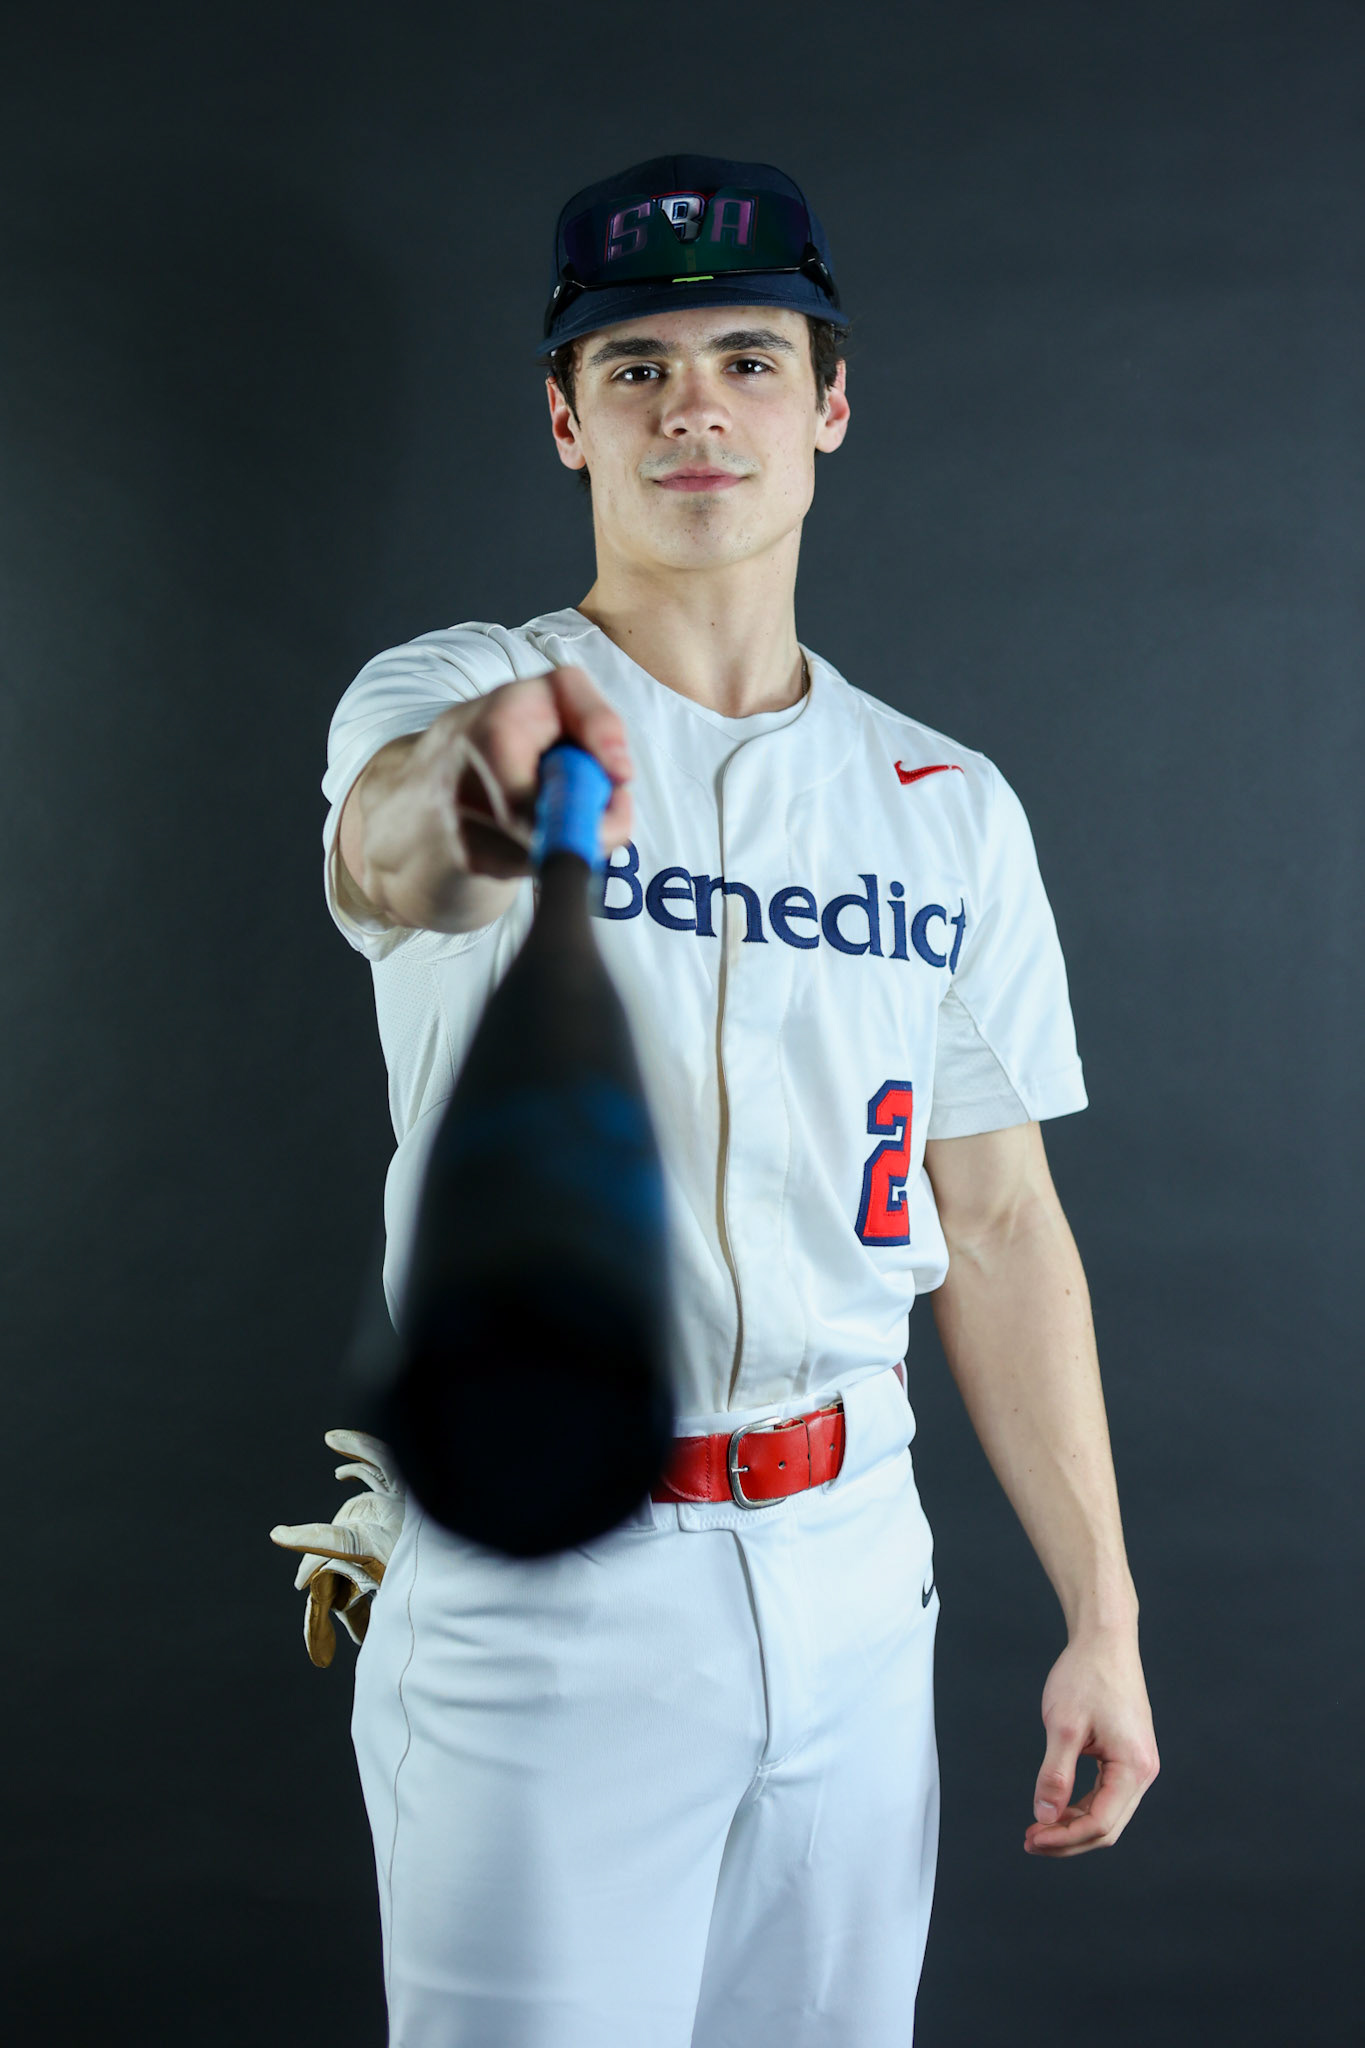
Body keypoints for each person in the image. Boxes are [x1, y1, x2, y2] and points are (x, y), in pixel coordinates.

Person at [271, 152, 1159, 2047]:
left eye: (748, 357)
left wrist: (1104, 1615)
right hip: (547, 1584)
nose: (695, 404)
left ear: (827, 407)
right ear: (565, 418)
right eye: (637, 365)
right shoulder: (461, 688)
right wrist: (491, 780)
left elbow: (995, 1224)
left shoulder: (945, 801)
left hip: (852, 1561)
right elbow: (389, 853)